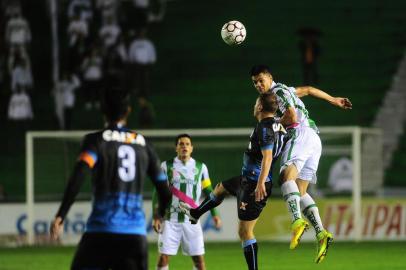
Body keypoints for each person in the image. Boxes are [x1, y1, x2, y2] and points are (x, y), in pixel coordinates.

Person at [50, 88, 171, 270]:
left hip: (100, 233)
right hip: (134, 235)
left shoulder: (96, 141)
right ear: (128, 111)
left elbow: (78, 175)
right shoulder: (144, 144)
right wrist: (160, 213)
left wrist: (61, 214)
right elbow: (164, 190)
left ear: (103, 111)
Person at [250, 64, 352, 263]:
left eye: (261, 80)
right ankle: (321, 233)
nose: (259, 85)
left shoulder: (277, 92)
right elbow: (308, 90)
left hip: (300, 133)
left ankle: (297, 220)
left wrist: (274, 125)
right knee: (300, 191)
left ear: (270, 77)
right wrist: (334, 100)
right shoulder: (285, 89)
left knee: (285, 177)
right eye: (255, 83)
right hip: (314, 139)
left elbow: (292, 117)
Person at [180, 93, 288, 270]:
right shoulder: (278, 126)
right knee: (220, 188)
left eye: (256, 103)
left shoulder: (264, 127)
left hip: (255, 184)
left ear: (260, 107)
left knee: (245, 232)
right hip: (247, 179)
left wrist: (261, 183)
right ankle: (196, 213)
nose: (254, 106)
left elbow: (268, 157)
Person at [152, 134, 222, 270]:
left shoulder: (201, 167)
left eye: (187, 144)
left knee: (199, 261)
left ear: (192, 148)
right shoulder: (166, 166)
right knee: (163, 258)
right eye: (181, 144)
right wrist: (156, 216)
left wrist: (215, 213)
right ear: (176, 148)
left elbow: (209, 192)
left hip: (192, 219)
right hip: (169, 219)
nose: (184, 146)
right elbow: (158, 192)